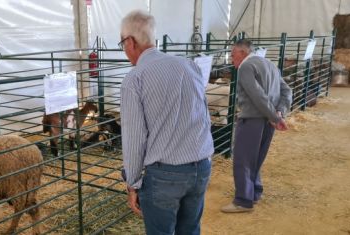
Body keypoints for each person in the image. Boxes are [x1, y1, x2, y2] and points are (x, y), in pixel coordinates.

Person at [119, 10, 214, 234]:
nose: (124, 50)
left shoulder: (135, 79)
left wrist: (132, 182)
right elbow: (204, 116)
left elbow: (134, 138)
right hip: (201, 167)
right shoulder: (188, 65)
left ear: (130, 41)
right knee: (190, 230)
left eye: (122, 43)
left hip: (165, 175)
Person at [220, 39, 292, 213]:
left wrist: (275, 116)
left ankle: (243, 201)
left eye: (232, 54)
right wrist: (279, 112)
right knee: (257, 157)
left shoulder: (246, 66)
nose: (231, 58)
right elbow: (287, 90)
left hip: (252, 119)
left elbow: (257, 95)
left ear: (242, 53)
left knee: (243, 159)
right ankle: (255, 192)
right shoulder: (270, 64)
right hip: (268, 121)